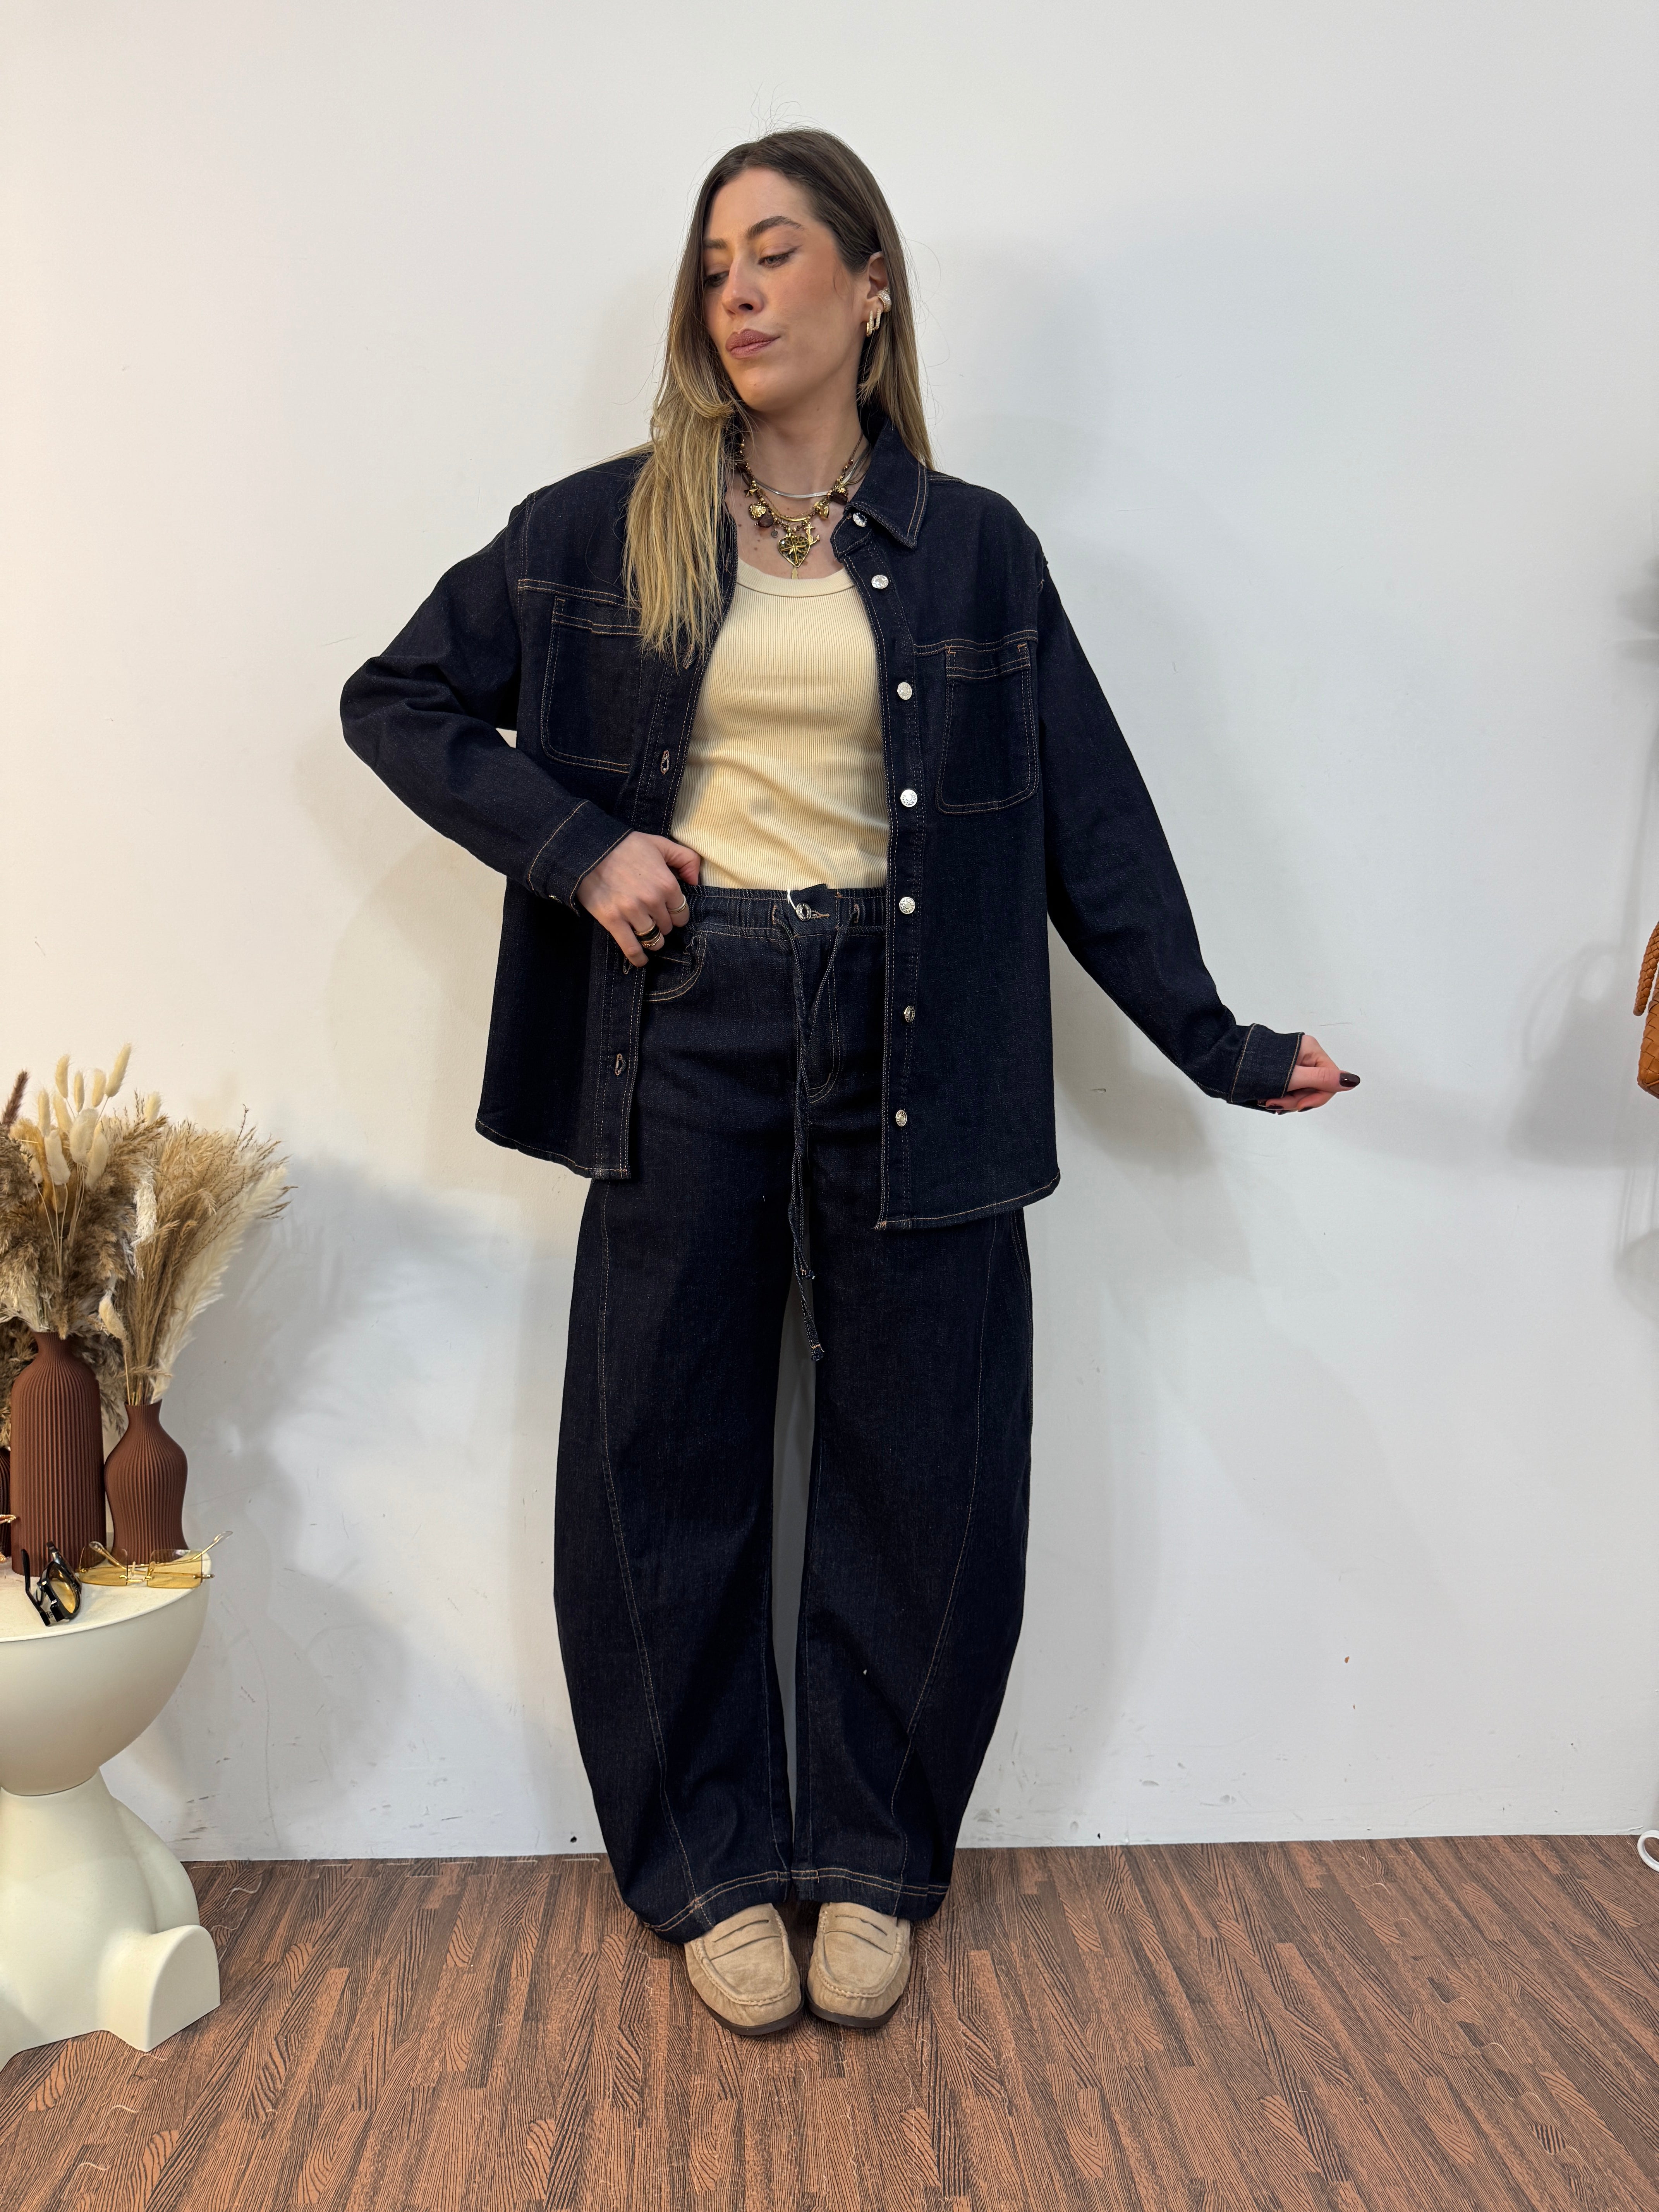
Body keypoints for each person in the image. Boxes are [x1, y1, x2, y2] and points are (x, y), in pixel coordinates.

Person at [341, 127, 1356, 2039]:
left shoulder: (975, 548)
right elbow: (394, 699)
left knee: (925, 1461)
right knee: (663, 1458)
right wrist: (582, 848)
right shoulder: (601, 530)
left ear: (871, 287)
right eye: (715, 261)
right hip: (685, 1021)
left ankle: (877, 1862)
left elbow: (1088, 824)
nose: (737, 290)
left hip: (919, 1034)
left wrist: (1216, 1040)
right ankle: (713, 1867)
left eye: (778, 252)